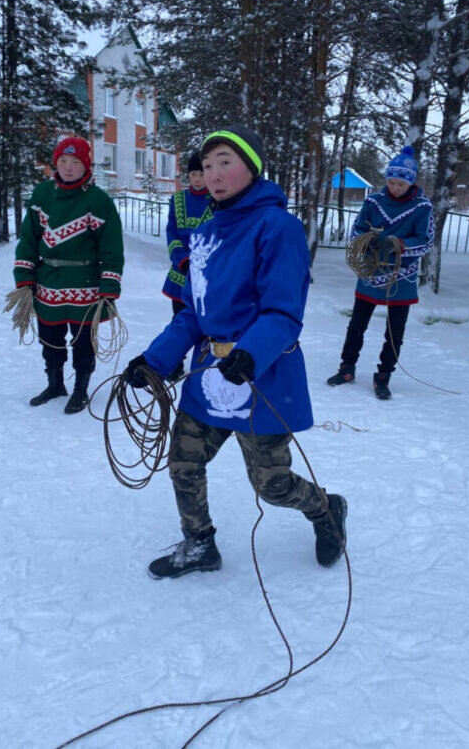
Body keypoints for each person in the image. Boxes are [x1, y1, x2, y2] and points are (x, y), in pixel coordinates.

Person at [124, 124, 347, 579]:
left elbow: (284, 313)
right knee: (183, 463)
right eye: (208, 166)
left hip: (261, 375)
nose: (214, 174)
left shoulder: (278, 227)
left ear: (251, 167)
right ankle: (200, 544)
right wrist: (156, 359)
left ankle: (326, 509)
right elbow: (192, 312)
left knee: (272, 485)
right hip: (210, 376)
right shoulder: (204, 232)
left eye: (225, 162)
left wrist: (249, 354)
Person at [13, 136, 124, 414]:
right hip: (48, 283)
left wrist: (109, 285)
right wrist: (25, 276)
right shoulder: (42, 195)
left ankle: (81, 389)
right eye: (63, 160)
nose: (68, 167)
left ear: (85, 165)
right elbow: (28, 239)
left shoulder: (98, 202)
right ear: (56, 163)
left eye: (75, 162)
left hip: (85, 285)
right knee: (50, 337)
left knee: (83, 340)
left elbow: (111, 247)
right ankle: (55, 384)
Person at [327, 145, 434, 400]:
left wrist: (399, 244)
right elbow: (357, 230)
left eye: (400, 183)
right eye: (391, 181)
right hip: (370, 272)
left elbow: (426, 241)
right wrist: (367, 239)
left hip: (401, 277)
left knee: (394, 332)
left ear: (410, 181)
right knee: (356, 326)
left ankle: (384, 375)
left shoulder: (422, 207)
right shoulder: (373, 201)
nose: (395, 187)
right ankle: (346, 368)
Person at [161, 151, 212, 380]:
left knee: (205, 321)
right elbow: (171, 232)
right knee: (179, 320)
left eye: (202, 173)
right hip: (181, 274)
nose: (198, 178)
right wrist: (181, 258)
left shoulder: (218, 200)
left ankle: (203, 362)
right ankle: (175, 360)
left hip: (209, 274)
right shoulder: (178, 200)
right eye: (194, 173)